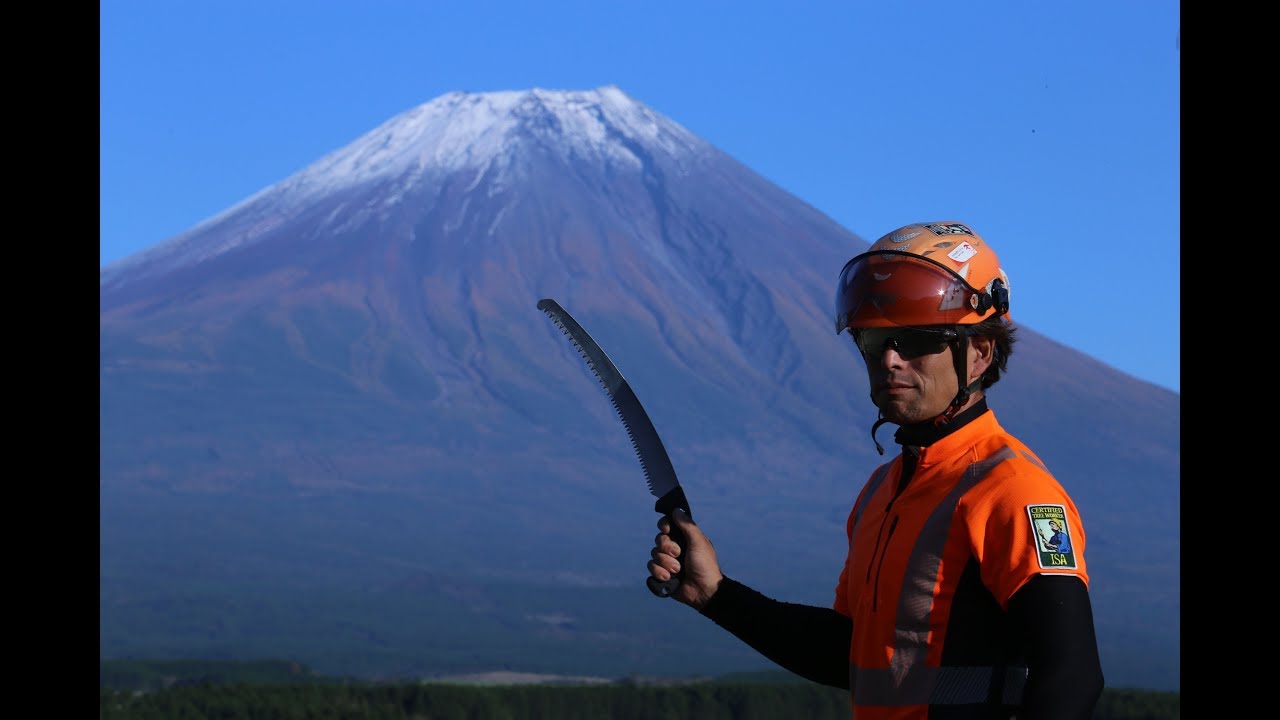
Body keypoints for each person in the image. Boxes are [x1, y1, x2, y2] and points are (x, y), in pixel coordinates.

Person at [646, 221, 1105, 718]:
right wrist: (716, 594)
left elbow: (1072, 678)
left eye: (915, 340)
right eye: (873, 340)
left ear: (979, 354)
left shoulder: (1014, 493)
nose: (889, 360)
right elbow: (849, 653)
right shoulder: (881, 491)